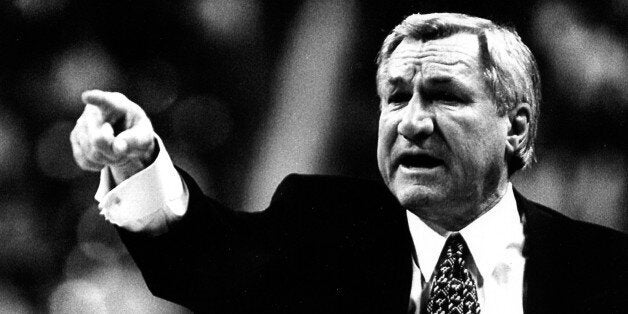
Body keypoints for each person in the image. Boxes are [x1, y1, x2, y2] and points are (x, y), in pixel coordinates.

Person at [70, 12, 628, 314]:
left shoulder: (607, 271)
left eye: (445, 96)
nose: (411, 121)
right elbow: (201, 256)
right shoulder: (320, 226)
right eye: (396, 97)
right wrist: (141, 160)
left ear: (517, 127)